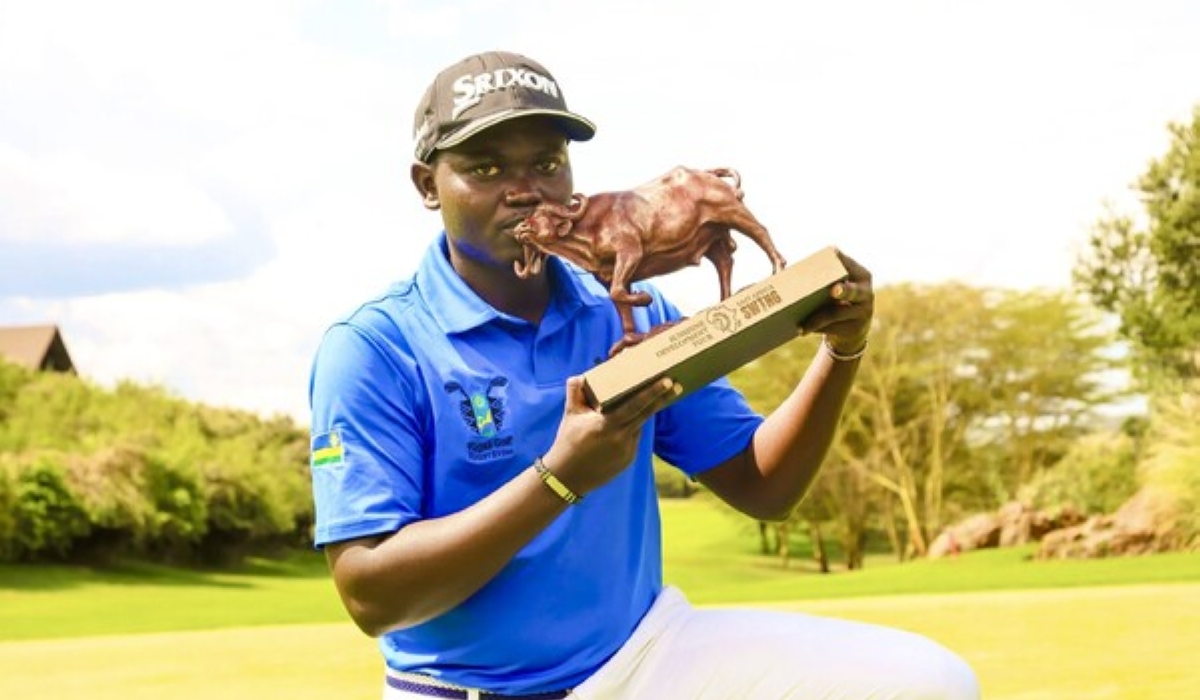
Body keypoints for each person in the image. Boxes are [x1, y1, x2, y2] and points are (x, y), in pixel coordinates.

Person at [308, 50, 980, 700]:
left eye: (546, 163)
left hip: (646, 657)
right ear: (428, 185)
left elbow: (762, 485)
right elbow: (372, 595)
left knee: (930, 683)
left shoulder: (627, 309)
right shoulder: (374, 346)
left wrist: (842, 350)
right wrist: (560, 478)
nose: (524, 190)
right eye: (484, 168)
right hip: (464, 690)